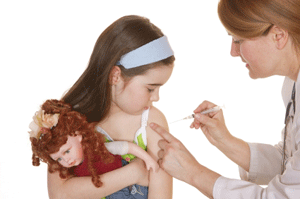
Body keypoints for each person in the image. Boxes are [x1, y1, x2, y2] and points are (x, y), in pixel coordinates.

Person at [150, 0, 300, 198]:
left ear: (278, 36)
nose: (233, 52)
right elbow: (290, 163)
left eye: (238, 41)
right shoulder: (291, 84)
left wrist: (193, 172)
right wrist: (225, 141)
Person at [47, 15, 175, 199]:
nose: (156, 97)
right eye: (150, 88)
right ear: (115, 76)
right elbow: (60, 194)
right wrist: (133, 173)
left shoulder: (152, 122)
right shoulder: (69, 119)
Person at [29, 99, 159, 196]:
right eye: (59, 159)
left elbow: (125, 147)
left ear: (77, 135)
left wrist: (148, 159)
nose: (66, 160)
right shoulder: (73, 172)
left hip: (135, 190)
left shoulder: (97, 148)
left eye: (67, 151)